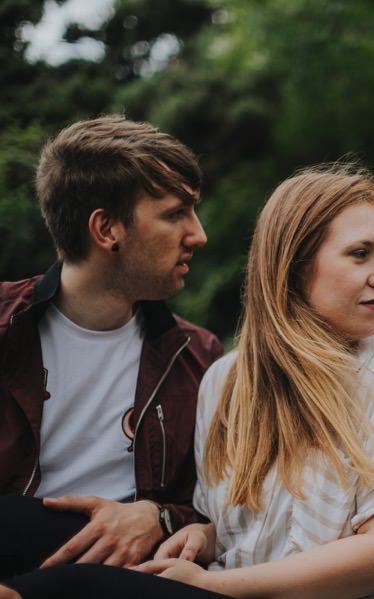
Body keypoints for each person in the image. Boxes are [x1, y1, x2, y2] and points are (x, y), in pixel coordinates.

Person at [2, 164, 374, 598]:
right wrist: (200, 537)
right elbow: (234, 527)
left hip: (236, 592)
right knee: (14, 526)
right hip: (220, 585)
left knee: (75, 588)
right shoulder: (224, 379)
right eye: (360, 255)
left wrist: (210, 585)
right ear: (294, 265)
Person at [0, 116, 223, 579]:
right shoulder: (5, 327)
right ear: (106, 230)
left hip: (130, 573)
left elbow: (214, 510)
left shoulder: (197, 356)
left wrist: (156, 516)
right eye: (175, 213)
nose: (198, 234)